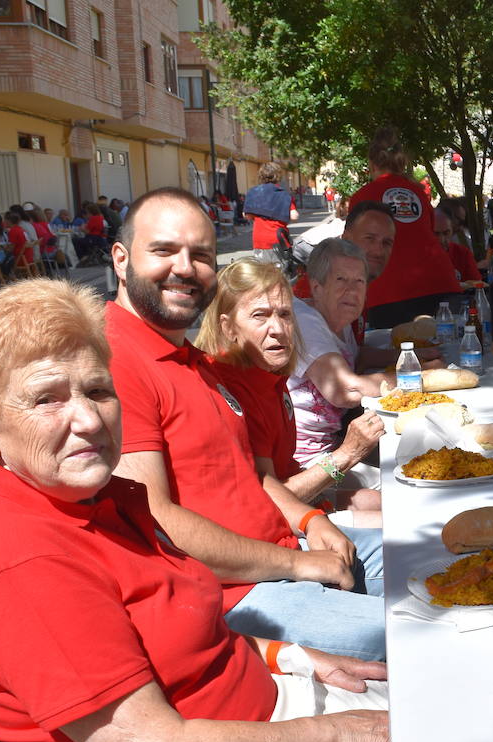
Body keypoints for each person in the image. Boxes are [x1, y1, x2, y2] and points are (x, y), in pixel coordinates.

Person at [0, 277, 493, 742]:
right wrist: (341, 733)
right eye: (46, 399)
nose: (87, 419)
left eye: (97, 389)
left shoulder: (90, 497)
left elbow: (172, 624)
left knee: (449, 712)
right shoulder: (24, 557)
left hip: (231, 719)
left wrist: (289, 657)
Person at [104, 187, 388, 661]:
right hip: (237, 593)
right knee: (424, 631)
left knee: (429, 557)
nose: (183, 267)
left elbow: (253, 475)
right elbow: (157, 521)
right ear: (120, 258)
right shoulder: (117, 361)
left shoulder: (191, 360)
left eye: (200, 255)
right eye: (163, 250)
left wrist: (310, 519)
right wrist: (296, 562)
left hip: (280, 549)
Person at [196, 257, 384, 524]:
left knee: (390, 503)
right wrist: (346, 454)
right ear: (228, 327)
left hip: (298, 501)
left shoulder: (270, 375)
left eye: (284, 315)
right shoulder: (232, 392)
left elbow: (287, 477)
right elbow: (265, 502)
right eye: (260, 315)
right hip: (264, 532)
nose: (278, 330)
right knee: (398, 527)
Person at [287, 238, 405, 488]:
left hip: (332, 449)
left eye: (359, 281)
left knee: (412, 461)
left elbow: (358, 356)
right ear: (317, 287)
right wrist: (419, 375)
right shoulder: (306, 321)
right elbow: (346, 390)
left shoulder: (337, 319)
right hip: (306, 465)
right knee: (398, 487)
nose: (352, 290)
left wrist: (407, 355)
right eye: (341, 280)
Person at [349, 126, 461, 328]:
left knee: (397, 355)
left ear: (372, 164)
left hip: (389, 291)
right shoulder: (418, 193)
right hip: (441, 283)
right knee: (442, 352)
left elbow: (352, 246)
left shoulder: (361, 196)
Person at [244, 162, 293, 263]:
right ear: (278, 175)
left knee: (264, 273)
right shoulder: (283, 194)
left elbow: (247, 215)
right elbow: (294, 215)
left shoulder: (253, 192)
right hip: (279, 239)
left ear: (261, 175)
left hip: (260, 240)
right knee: (282, 272)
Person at [434, 207, 481, 283]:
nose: (442, 239)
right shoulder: (419, 256)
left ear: (453, 230)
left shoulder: (463, 254)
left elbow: (477, 286)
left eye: (446, 233)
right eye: (436, 234)